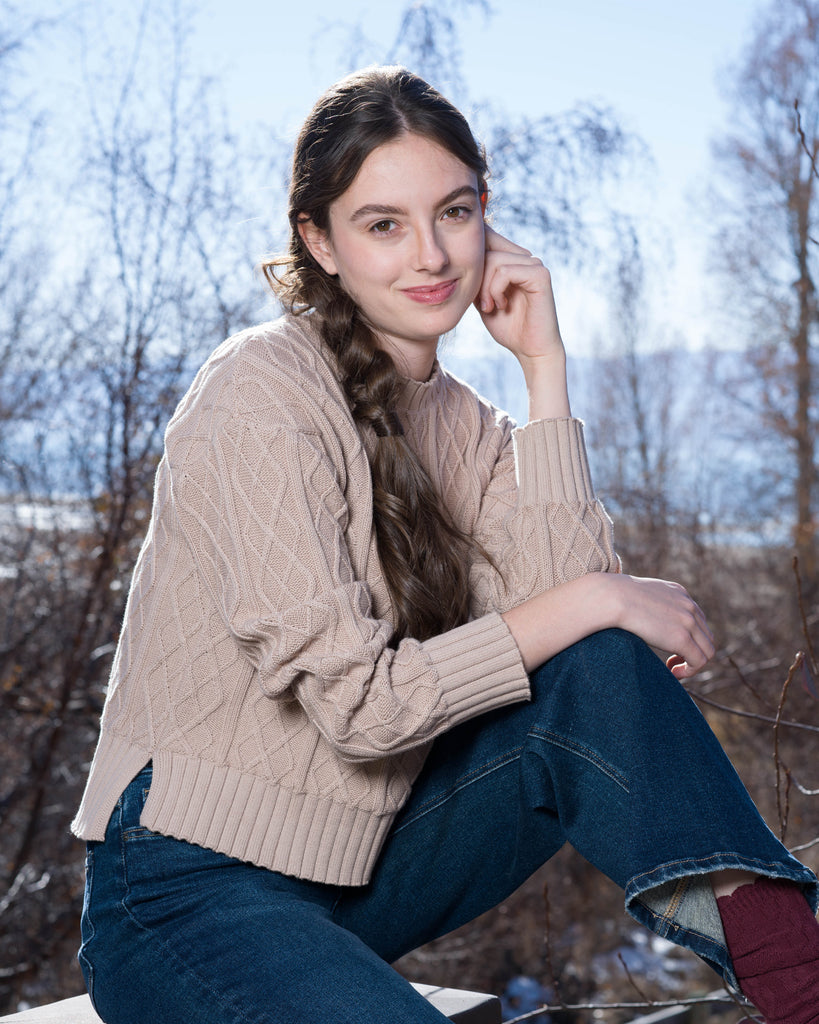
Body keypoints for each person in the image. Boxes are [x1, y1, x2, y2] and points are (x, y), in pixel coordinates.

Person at [72, 66, 819, 1024]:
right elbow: (362, 710)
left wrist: (545, 368)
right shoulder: (260, 396)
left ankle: (798, 982)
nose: (430, 254)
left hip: (355, 867)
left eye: (453, 212)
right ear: (319, 241)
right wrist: (597, 599)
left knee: (591, 659)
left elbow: (586, 656)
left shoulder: (457, 422)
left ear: (485, 216)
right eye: (383, 224)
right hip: (181, 895)